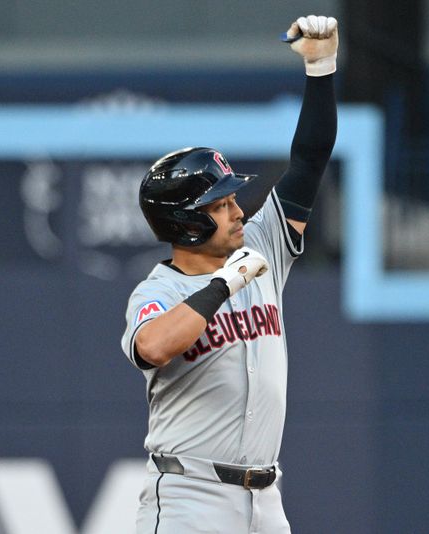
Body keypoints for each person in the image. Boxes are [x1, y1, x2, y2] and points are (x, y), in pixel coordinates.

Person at [120, 15, 338, 534]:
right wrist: (225, 284)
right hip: (189, 497)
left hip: (265, 500)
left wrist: (321, 67)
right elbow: (151, 347)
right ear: (188, 221)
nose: (239, 210)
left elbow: (308, 163)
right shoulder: (159, 291)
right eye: (221, 204)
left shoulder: (259, 244)